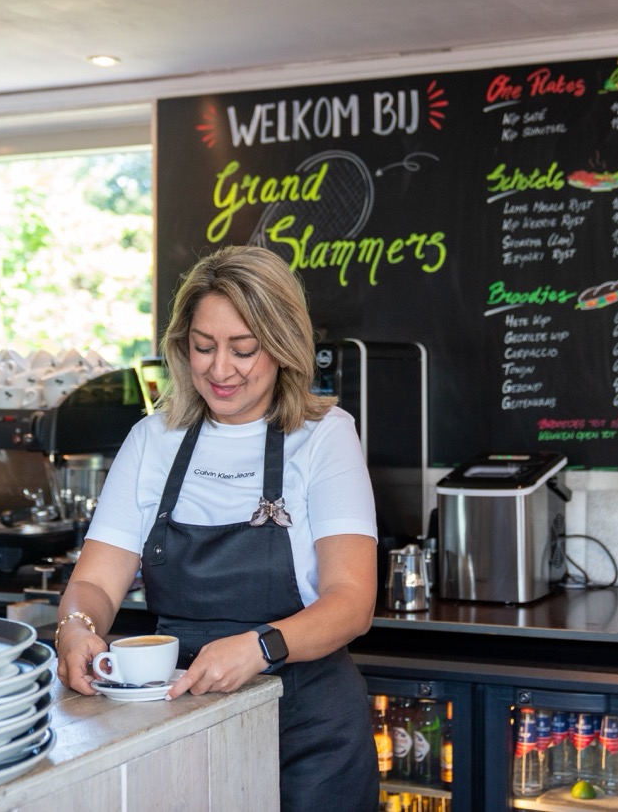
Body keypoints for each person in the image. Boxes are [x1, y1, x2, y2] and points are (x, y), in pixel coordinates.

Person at [55, 245, 380, 811]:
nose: (220, 369)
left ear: (282, 346)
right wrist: (76, 628)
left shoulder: (325, 436)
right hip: (178, 722)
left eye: (244, 349)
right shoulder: (152, 440)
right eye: (203, 347)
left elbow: (352, 601)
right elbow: (96, 585)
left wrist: (259, 647)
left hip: (308, 733)